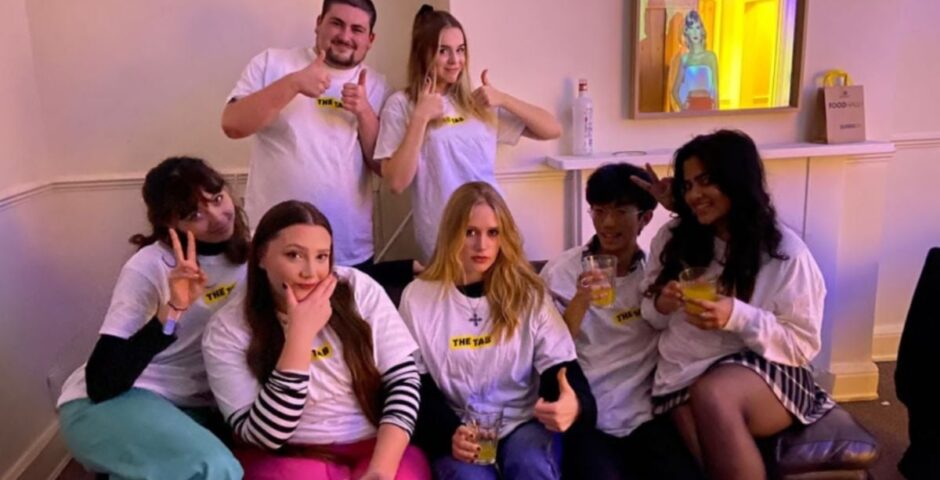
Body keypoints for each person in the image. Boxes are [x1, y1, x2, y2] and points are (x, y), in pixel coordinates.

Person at [641, 130, 835, 479]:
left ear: (736, 180)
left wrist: (738, 316)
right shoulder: (672, 239)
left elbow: (802, 344)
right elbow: (652, 318)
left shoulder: (784, 253)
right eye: (687, 185)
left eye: (706, 181)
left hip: (764, 369)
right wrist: (663, 304)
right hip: (684, 370)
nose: (694, 195)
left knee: (712, 394)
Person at [202, 200, 430, 479]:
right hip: (289, 453)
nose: (310, 272)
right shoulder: (227, 327)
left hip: (377, 446)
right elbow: (264, 436)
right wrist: (300, 335)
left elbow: (404, 382)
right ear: (261, 256)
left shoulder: (359, 289)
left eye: (322, 257)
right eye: (294, 255)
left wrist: (380, 472)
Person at [57, 156, 249, 479]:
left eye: (217, 199)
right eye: (194, 215)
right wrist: (171, 312)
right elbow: (101, 383)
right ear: (169, 224)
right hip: (111, 399)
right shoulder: (150, 266)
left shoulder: (256, 253)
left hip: (191, 406)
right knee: (217, 469)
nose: (216, 217)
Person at [399, 181, 595, 480]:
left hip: (522, 422)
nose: (482, 245)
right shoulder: (418, 298)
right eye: (470, 232)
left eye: (493, 233)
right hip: (459, 426)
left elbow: (561, 367)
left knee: (530, 463)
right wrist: (448, 433)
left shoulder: (528, 292)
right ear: (451, 233)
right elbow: (414, 384)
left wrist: (574, 405)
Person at [221, 0, 415, 285]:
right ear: (318, 23)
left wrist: (364, 112)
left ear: (370, 39)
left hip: (347, 247)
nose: (345, 36)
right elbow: (233, 125)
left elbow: (381, 167)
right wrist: (293, 84)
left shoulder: (377, 86)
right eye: (336, 23)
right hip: (275, 246)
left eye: (357, 29)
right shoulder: (273, 63)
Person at [540, 163, 702, 479]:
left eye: (621, 211)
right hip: (589, 413)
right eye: (599, 211)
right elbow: (548, 351)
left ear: (645, 218)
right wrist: (581, 300)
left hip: (647, 415)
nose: (608, 223)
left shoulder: (656, 273)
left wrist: (679, 206)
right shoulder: (561, 272)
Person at [375, 5, 562, 263]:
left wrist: (504, 99)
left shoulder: (476, 104)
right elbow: (396, 183)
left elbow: (552, 129)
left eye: (460, 49)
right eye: (443, 51)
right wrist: (420, 118)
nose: (455, 60)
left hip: (494, 232)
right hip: (444, 238)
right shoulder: (401, 105)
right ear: (423, 53)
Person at [670, 10, 718, 111]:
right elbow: (674, 91)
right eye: (691, 28)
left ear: (702, 31)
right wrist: (682, 107)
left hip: (707, 106)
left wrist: (717, 114)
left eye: (698, 27)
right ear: (686, 32)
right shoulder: (684, 59)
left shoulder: (711, 57)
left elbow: (716, 91)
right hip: (690, 107)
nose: (695, 32)